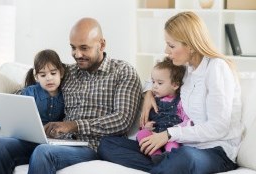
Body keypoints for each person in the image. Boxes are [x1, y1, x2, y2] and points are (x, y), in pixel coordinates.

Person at [0, 17, 142, 174]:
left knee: (44, 153)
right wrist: (19, 104)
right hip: (58, 141)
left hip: (93, 146)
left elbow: (122, 120)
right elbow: (38, 82)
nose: (77, 54)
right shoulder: (67, 72)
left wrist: (73, 125)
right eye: (73, 47)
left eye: (84, 48)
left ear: (102, 44)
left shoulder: (123, 71)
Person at [98, 11, 243, 174]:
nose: (166, 50)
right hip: (181, 147)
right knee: (107, 144)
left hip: (214, 151)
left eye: (172, 45)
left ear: (191, 45)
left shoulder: (216, 68)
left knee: (185, 157)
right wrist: (148, 94)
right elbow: (154, 78)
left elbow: (219, 128)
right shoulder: (186, 68)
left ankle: (168, 165)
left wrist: (168, 134)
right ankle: (166, 166)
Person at [136, 57, 192, 157]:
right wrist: (146, 126)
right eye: (153, 82)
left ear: (175, 85)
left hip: (170, 137)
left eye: (160, 83)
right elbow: (144, 123)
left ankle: (169, 157)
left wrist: (175, 130)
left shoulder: (180, 102)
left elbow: (187, 121)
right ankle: (156, 156)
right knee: (141, 134)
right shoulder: (152, 101)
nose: (154, 86)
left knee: (173, 145)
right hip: (154, 135)